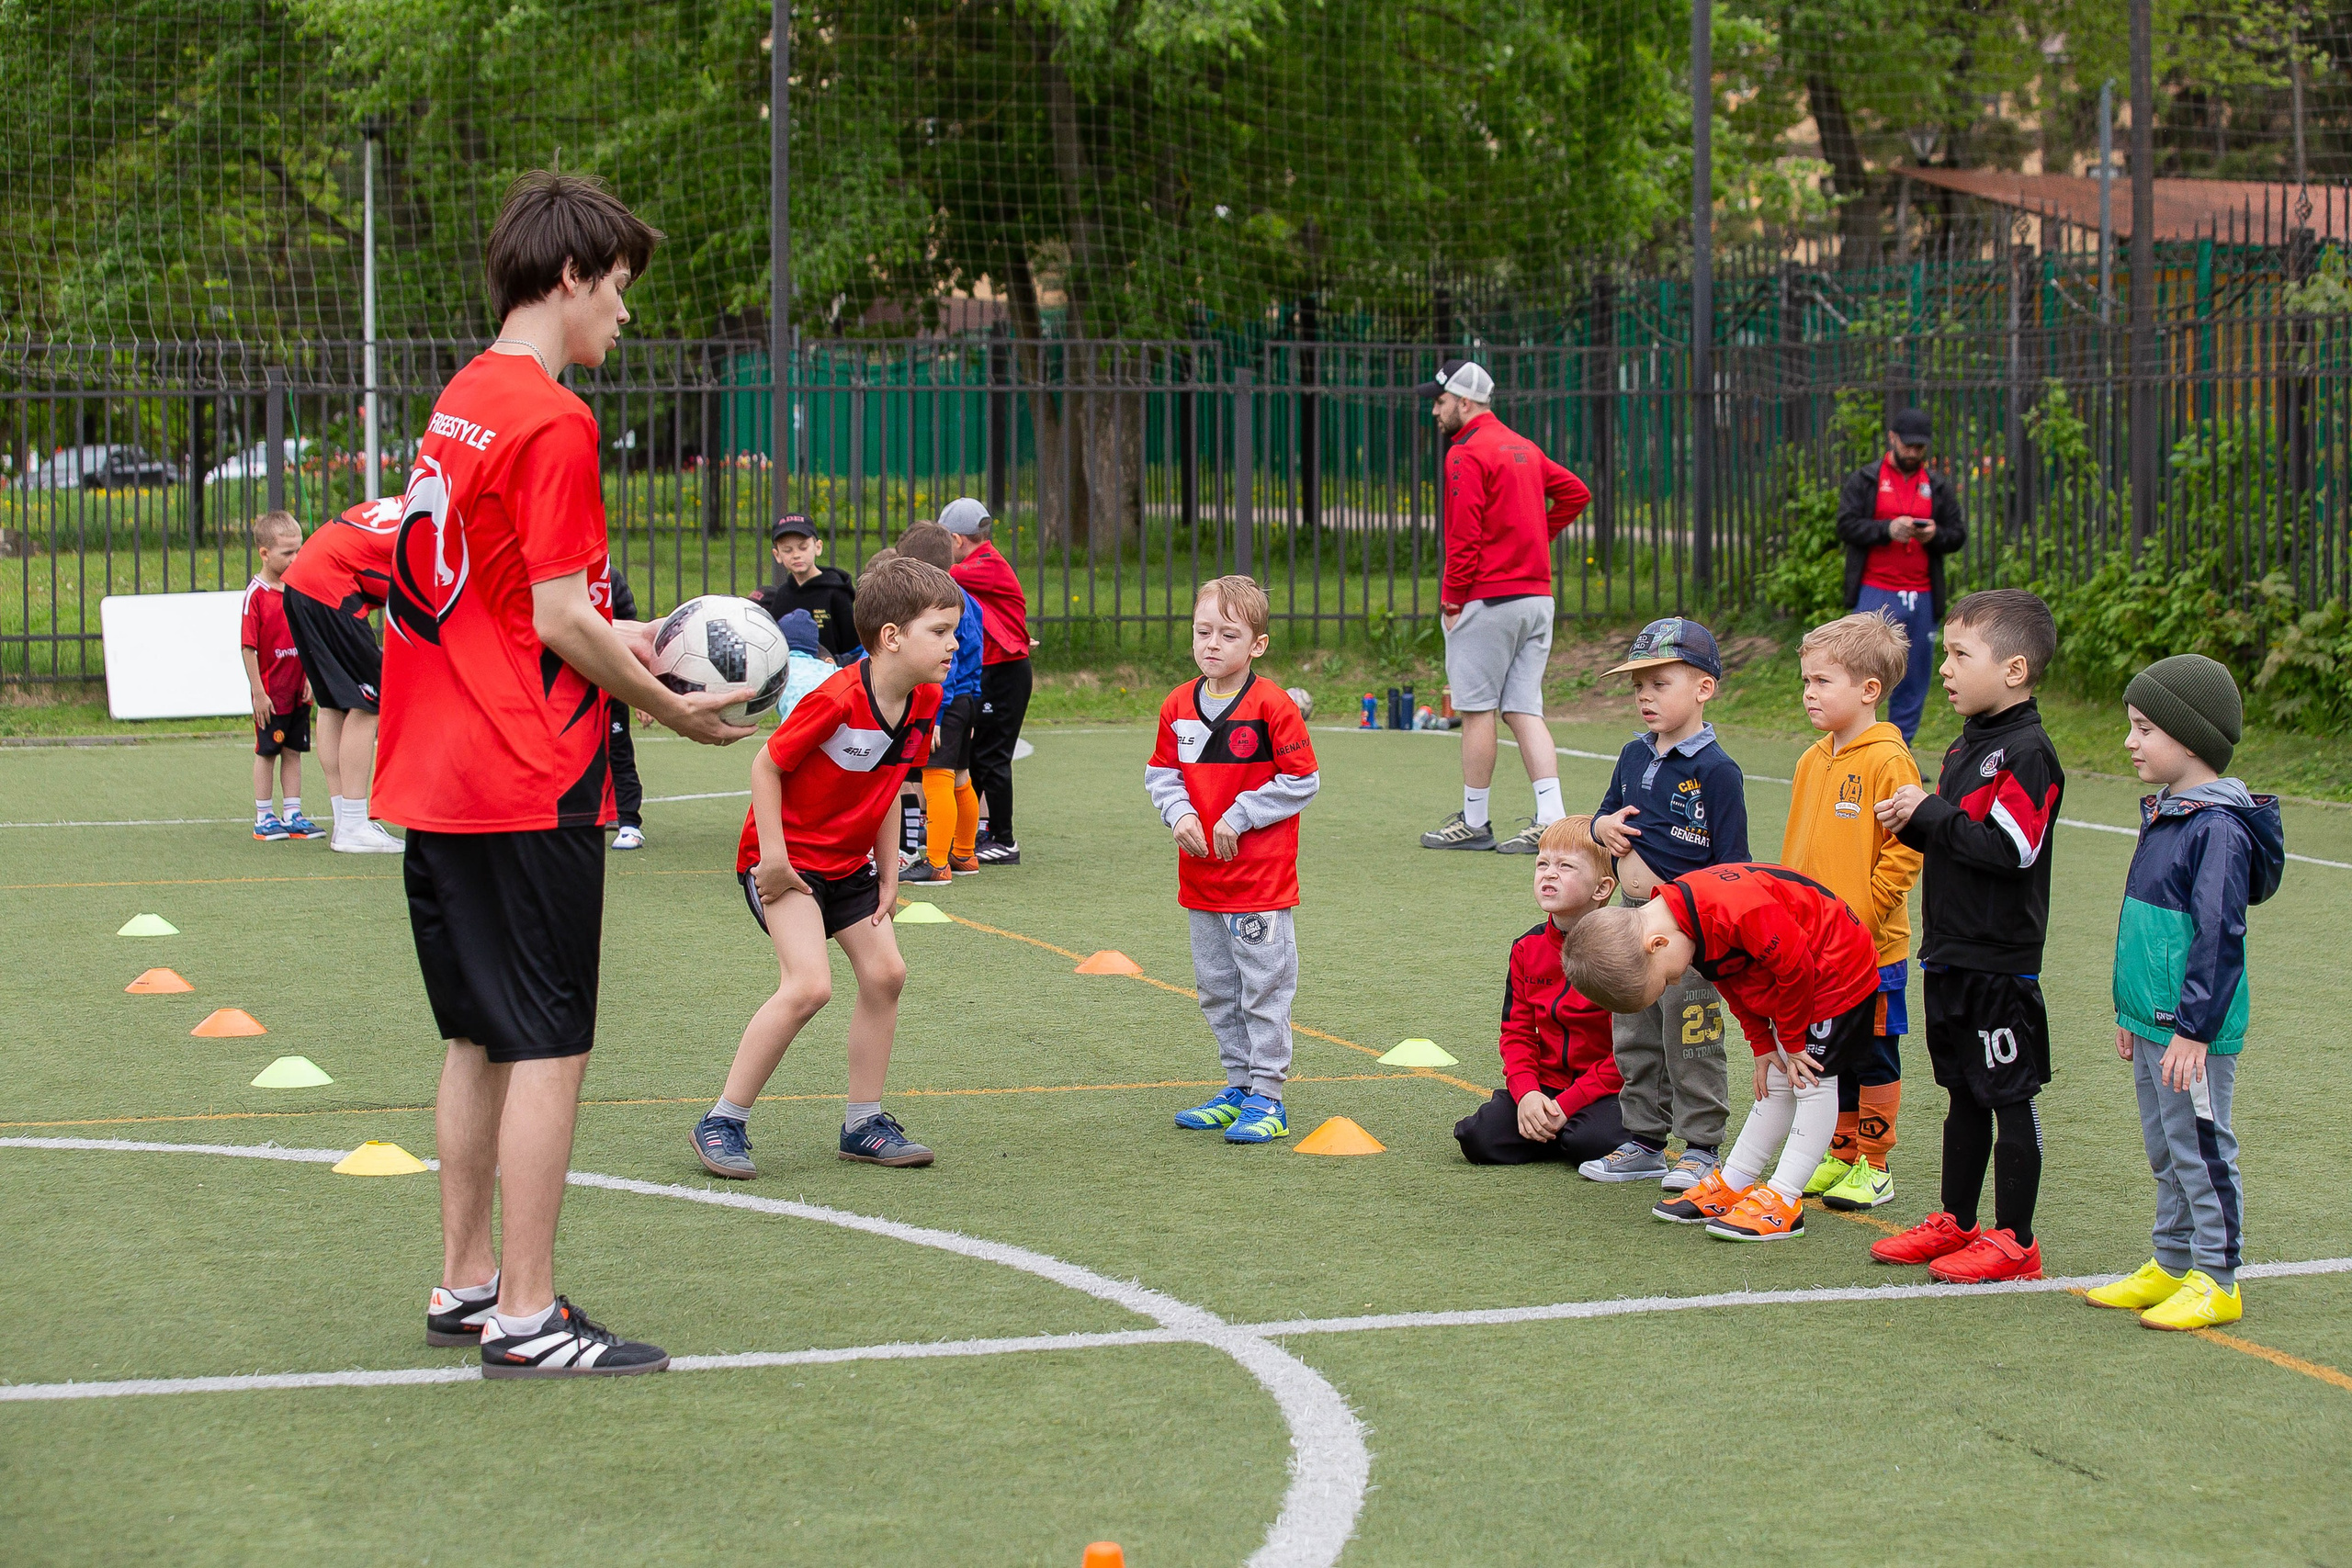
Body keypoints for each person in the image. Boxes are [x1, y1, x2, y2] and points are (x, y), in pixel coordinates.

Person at [377, 170, 751, 1379]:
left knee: (477, 1034)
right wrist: (673, 710)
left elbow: (511, 597)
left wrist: (620, 640)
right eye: (622, 289)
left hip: (437, 766)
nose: (625, 315)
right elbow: (553, 617)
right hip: (523, 770)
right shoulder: (552, 415)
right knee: (548, 1037)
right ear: (573, 276)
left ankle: (468, 1278)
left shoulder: (462, 399)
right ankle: (528, 1315)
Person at [690, 556, 963, 1179]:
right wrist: (777, 860)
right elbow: (767, 765)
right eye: (941, 630)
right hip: (784, 861)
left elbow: (892, 780)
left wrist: (889, 869)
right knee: (809, 984)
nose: (954, 643)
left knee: (887, 972)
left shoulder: (925, 697)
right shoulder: (837, 698)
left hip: (848, 863)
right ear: (891, 636)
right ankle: (722, 1120)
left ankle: (863, 1123)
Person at [1868, 590, 2064, 1285]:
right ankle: (1958, 1218)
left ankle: (2017, 1241)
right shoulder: (1965, 744)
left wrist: (1931, 813)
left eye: (1959, 654)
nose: (1943, 667)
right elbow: (1955, 831)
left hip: (1998, 962)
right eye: (1943, 652)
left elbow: (2012, 846)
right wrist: (1914, 815)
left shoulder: (2028, 751)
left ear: (2013, 669)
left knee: (2008, 1093)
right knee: (1961, 1090)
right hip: (1948, 951)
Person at [2087, 655, 2283, 1330]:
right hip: (2153, 1023)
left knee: (2201, 1145)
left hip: (2190, 1032)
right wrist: (2131, 1011)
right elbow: (2146, 925)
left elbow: (2218, 936)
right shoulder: (2169, 811)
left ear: (2190, 737)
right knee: (2165, 1146)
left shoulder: (2218, 827)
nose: (2129, 741)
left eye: (2144, 728)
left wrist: (2193, 1029)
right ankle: (2171, 1261)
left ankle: (2218, 1276)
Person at [1564, 861, 1881, 1242]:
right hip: (1788, 974)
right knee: (1777, 1083)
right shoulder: (1680, 920)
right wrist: (1763, 1043)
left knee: (1812, 1084)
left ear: (1657, 944)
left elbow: (1796, 964)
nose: (1676, 980)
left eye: (1666, 979)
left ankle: (1784, 1198)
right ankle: (1735, 1181)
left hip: (1833, 968)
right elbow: (1730, 976)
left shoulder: (1732, 910)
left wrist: (1793, 1042)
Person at [1147, 575, 1319, 1144]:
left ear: (1257, 644)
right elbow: (1162, 775)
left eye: (1228, 633)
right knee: (1217, 988)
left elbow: (1303, 781)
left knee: (1263, 988)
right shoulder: (1178, 703)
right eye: (1202, 632)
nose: (1212, 644)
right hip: (1201, 881)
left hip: (1260, 885)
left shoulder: (1272, 705)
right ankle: (1238, 1085)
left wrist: (1238, 814)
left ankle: (1269, 1096)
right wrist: (1181, 816)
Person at [1577, 617, 1747, 1191]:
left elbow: (1736, 867)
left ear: (1704, 688)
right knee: (1635, 1035)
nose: (1645, 696)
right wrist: (1603, 828)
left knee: (1692, 1039)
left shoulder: (1717, 771)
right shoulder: (1632, 754)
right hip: (1629, 923)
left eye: (1660, 683)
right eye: (1638, 686)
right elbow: (1602, 816)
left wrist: (1710, 937)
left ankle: (1701, 1148)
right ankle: (1646, 1140)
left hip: (1689, 937)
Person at [1416, 358, 1589, 855]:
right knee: (1524, 709)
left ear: (1464, 403)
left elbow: (1463, 535)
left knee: (1476, 711)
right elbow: (1576, 494)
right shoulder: (1523, 446)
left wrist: (1451, 599)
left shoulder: (1465, 452)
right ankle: (1551, 821)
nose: (1436, 410)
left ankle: (1474, 822)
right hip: (1536, 598)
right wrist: (1537, 541)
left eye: (1441, 401)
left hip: (1487, 599)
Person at [1783, 611, 1923, 1212]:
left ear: (1869, 690)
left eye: (1823, 681)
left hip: (1872, 951)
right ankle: (1838, 1153)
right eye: (1807, 681)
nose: (1810, 693)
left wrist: (1864, 911)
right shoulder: (1812, 759)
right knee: (1830, 1052)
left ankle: (1875, 1162)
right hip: (1816, 951)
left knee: (1874, 1053)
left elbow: (1907, 850)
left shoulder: (1890, 760)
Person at [1453, 815, 1626, 1166]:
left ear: (1602, 889)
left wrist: (1568, 1104)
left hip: (1607, 1091)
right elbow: (1516, 1032)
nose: (1549, 874)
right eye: (1542, 863)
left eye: (1566, 866)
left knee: (1589, 1143)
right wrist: (1528, 1092)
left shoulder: (1622, 952)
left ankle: (1561, 1128)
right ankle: (1547, 1124)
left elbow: (1628, 1054)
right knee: (1478, 1138)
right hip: (1545, 1085)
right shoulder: (1526, 949)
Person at [282, 493, 405, 852]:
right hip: (329, 589)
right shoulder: (439, 522)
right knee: (369, 702)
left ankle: (344, 820)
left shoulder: (415, 501)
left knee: (334, 703)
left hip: (301, 585)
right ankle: (352, 825)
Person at [1836, 407, 1967, 744]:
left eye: (1920, 448)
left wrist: (1934, 534)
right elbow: (1846, 526)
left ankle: (1900, 747)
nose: (1913, 453)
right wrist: (1886, 529)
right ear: (1892, 438)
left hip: (1922, 594)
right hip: (1875, 590)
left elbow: (1957, 535)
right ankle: (1858, 744)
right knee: (1865, 671)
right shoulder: (1866, 479)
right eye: (1907, 445)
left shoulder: (1936, 486)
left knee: (1915, 677)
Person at [942, 497, 1033, 865]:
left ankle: (1004, 838)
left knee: (991, 755)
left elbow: (938, 577)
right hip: (996, 668)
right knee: (979, 755)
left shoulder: (979, 566)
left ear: (957, 539)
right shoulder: (983, 563)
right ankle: (973, 831)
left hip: (1005, 671)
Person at [894, 520, 985, 885]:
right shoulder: (970, 601)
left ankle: (936, 862)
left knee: (937, 777)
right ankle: (964, 854)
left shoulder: (939, 608)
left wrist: (933, 717)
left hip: (945, 703)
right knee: (962, 778)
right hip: (966, 700)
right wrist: (973, 701)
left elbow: (948, 665)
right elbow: (977, 656)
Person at [240, 511, 317, 840]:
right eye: (288, 553)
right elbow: (248, 647)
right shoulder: (255, 596)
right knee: (267, 751)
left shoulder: (300, 589)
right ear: (265, 553)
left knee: (293, 751)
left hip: (298, 690)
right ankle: (263, 816)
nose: (295, 558)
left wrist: (311, 678)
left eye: (299, 550)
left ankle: (292, 813)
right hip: (271, 694)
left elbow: (310, 637)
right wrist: (258, 692)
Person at [751, 513, 859, 662]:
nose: (796, 555)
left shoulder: (836, 593)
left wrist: (837, 663)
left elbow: (854, 647)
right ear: (777, 555)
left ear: (818, 547)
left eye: (803, 547)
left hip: (832, 676)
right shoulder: (782, 595)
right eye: (787, 550)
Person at [604, 564, 645, 851]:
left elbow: (633, 636)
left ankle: (629, 823)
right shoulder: (554, 576)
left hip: (609, 682)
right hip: (565, 686)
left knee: (618, 751)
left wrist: (642, 694)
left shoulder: (612, 578)